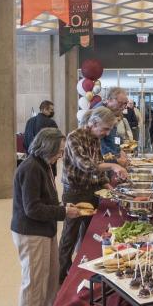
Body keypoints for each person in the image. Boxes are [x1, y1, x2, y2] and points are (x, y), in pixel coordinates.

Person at [11, 127, 81, 306]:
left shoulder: (44, 165)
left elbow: (46, 200)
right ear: (46, 147)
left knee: (50, 278)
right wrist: (63, 212)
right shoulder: (30, 168)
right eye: (58, 150)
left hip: (44, 229)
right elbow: (32, 209)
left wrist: (62, 207)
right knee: (33, 283)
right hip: (31, 232)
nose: (61, 155)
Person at [57, 107, 128, 282]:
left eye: (109, 129)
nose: (107, 132)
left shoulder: (96, 138)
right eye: (105, 128)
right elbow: (86, 165)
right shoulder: (74, 137)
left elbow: (98, 164)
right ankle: (61, 276)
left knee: (88, 234)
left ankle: (83, 269)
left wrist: (107, 184)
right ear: (93, 123)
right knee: (69, 237)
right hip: (74, 192)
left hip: (91, 190)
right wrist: (113, 166)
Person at [95, 88, 130, 161]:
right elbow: (99, 144)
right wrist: (116, 159)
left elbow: (114, 137)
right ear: (110, 100)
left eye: (125, 104)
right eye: (120, 103)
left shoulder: (112, 112)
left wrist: (119, 150)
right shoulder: (100, 113)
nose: (123, 107)